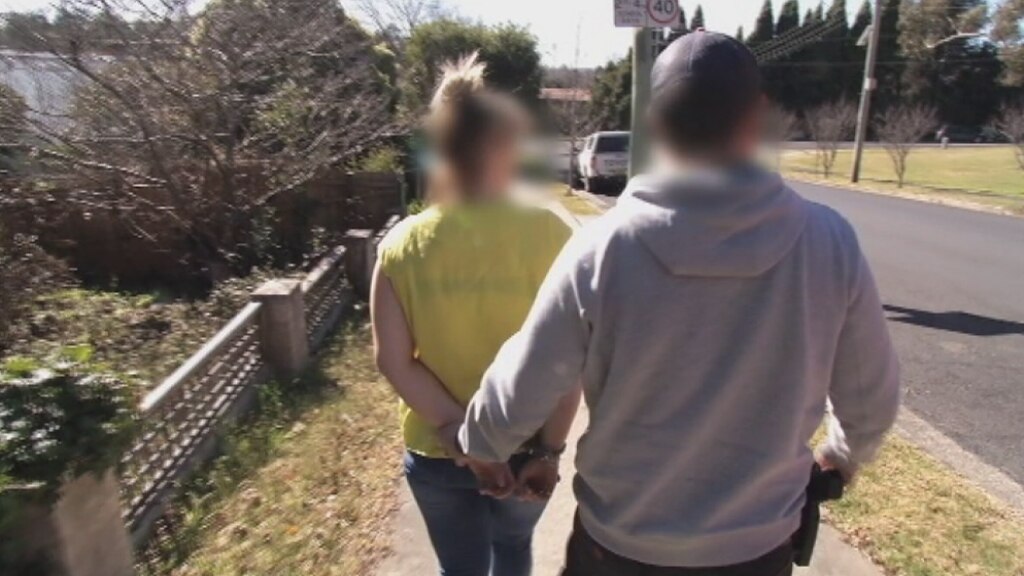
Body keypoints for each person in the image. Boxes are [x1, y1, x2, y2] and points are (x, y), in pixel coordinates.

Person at [453, 32, 901, 575]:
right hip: (757, 551)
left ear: (655, 122)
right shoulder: (829, 242)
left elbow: (526, 380)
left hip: (617, 548)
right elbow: (870, 398)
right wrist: (842, 457)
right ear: (758, 115)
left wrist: (483, 444)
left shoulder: (604, 247)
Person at [371, 53, 582, 576]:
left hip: (439, 452)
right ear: (506, 151)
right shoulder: (553, 237)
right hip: (525, 444)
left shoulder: (401, 245)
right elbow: (569, 360)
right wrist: (551, 451)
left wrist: (456, 428)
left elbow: (394, 361)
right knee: (512, 552)